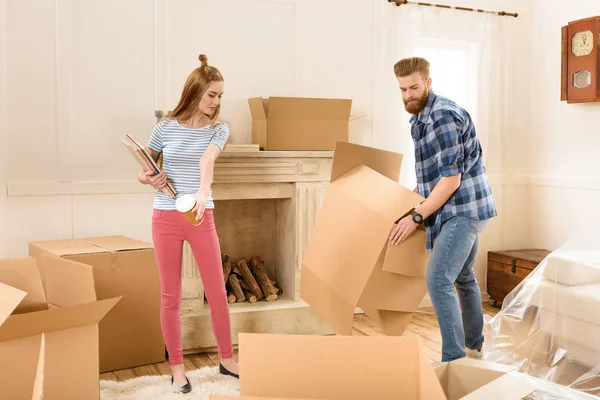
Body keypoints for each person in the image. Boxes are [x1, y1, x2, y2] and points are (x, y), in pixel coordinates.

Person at [136, 54, 239, 393]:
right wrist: (150, 178)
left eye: (220, 96)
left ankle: (226, 359)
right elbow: (144, 168)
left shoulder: (219, 129)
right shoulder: (164, 126)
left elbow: (208, 158)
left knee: (216, 293)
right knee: (171, 296)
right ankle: (177, 367)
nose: (216, 102)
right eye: (212, 95)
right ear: (195, 91)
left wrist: (201, 192)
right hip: (165, 216)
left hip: (199, 214)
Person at [389, 57, 497, 362]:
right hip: (466, 207)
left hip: (464, 209)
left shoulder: (442, 117)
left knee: (438, 279)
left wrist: (415, 216)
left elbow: (450, 180)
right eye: (402, 89)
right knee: (463, 276)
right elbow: (430, 177)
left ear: (428, 83)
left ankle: (454, 360)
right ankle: (473, 348)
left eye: (414, 87)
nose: (408, 94)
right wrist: (401, 203)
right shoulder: (420, 118)